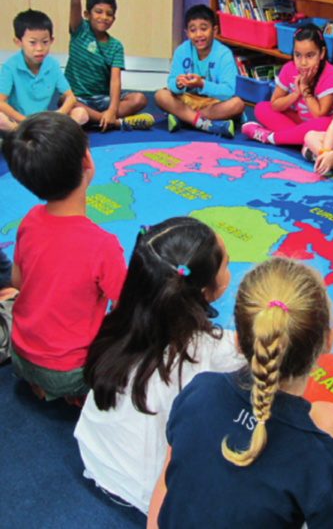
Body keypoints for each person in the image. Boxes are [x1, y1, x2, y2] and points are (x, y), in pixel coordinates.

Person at [147, 257, 333, 529]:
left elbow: (168, 484)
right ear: (328, 341)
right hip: (321, 474)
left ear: (238, 340)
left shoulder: (199, 390)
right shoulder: (318, 452)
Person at [75, 217, 244, 513]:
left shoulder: (116, 325)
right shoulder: (209, 348)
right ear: (204, 291)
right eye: (226, 264)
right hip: (148, 493)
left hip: (95, 459)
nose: (229, 269)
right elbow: (254, 351)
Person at [2, 112, 127, 402]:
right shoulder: (102, 245)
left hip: (20, 355)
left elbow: (18, 281)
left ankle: (43, 385)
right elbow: (125, 312)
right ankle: (74, 393)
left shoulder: (29, 220)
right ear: (87, 161)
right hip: (71, 372)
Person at [65, 0, 154, 132]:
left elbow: (115, 80)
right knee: (66, 102)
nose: (104, 17)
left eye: (109, 13)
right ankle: (113, 122)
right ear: (87, 15)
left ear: (114, 18)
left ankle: (103, 118)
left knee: (139, 99)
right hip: (77, 98)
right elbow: (74, 1)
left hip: (102, 99)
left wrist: (112, 109)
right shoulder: (80, 31)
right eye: (98, 12)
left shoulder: (115, 45)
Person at [242, 23, 333, 146]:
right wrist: (295, 93)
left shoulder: (331, 74)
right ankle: (298, 139)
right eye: (298, 55)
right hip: (300, 122)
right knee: (261, 108)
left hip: (321, 125)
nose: (303, 62)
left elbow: (319, 114)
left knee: (325, 124)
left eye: (310, 56)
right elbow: (275, 105)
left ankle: (272, 138)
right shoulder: (289, 68)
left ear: (322, 53)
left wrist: (305, 88)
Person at [154, 4, 245, 138]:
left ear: (214, 31)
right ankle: (205, 123)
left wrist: (202, 85)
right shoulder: (181, 50)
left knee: (237, 105)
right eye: (193, 30)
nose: (199, 35)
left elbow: (229, 91)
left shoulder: (224, 54)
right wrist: (178, 84)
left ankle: (185, 118)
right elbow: (171, 83)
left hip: (213, 103)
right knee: (160, 95)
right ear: (187, 33)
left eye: (204, 29)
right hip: (187, 100)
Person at [0, 9, 88, 131]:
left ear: (52, 40)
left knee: (81, 114)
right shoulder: (9, 67)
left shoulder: (53, 65)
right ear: (18, 42)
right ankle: (21, 134)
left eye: (45, 42)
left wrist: (56, 116)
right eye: (32, 43)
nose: (40, 48)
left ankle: (42, 136)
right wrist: (24, 121)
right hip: (19, 123)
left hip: (45, 123)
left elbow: (70, 97)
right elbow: (1, 103)